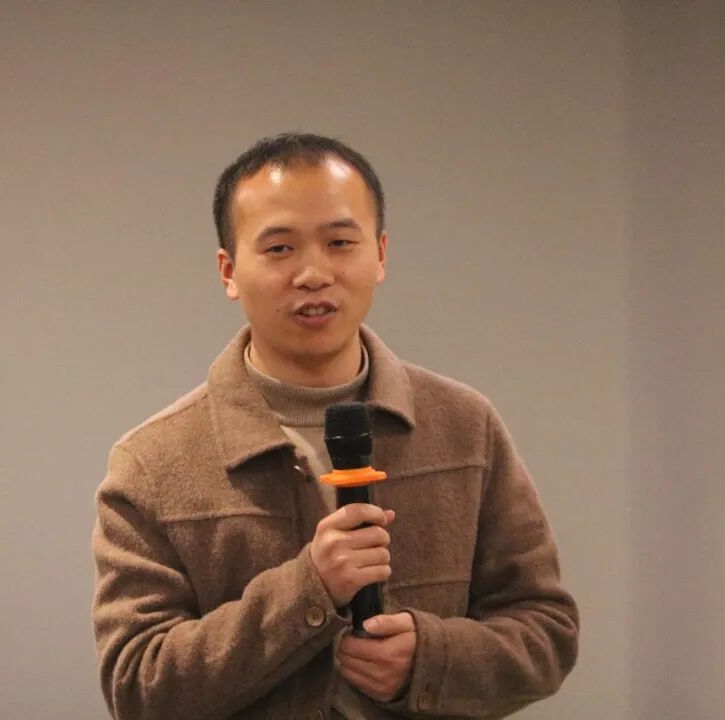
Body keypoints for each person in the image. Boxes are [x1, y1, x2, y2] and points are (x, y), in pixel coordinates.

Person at [91, 133, 578, 719]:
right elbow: (137, 686)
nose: (313, 274)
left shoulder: (465, 426)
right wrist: (309, 590)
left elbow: (547, 632)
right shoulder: (153, 462)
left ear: (380, 255)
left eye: (340, 243)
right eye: (279, 249)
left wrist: (431, 659)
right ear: (229, 270)